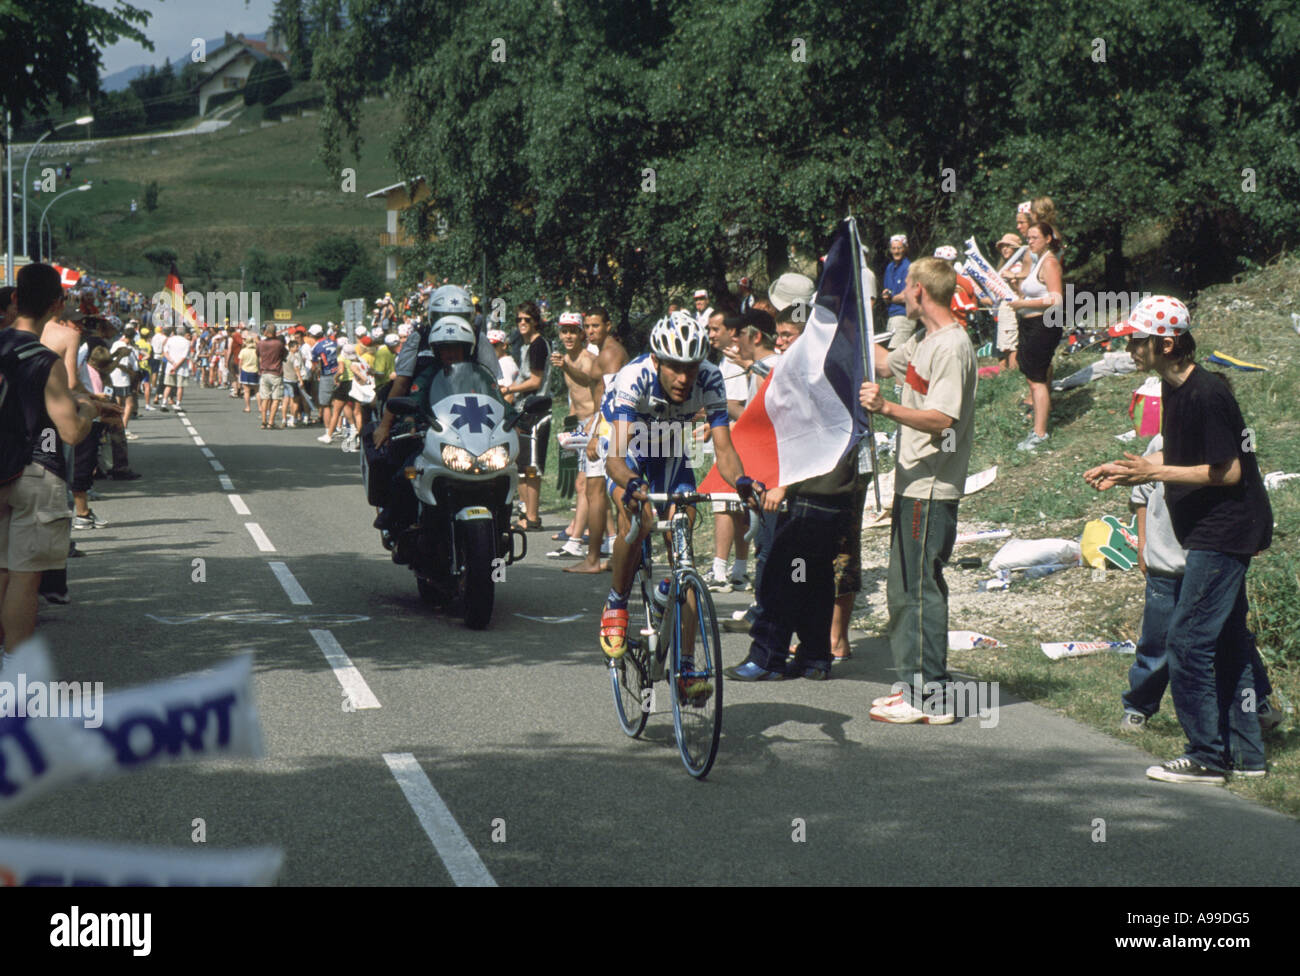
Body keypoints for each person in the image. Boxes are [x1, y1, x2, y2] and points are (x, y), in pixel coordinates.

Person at [1084, 296, 1272, 784]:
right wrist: (1129, 468)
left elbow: (1228, 471)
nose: (1130, 345)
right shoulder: (1172, 388)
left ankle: (1207, 756)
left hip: (1226, 531)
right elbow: (1184, 454)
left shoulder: (1207, 392)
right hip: (1212, 530)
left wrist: (1155, 469)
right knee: (1228, 639)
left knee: (1186, 642)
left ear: (1166, 343)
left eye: (1138, 339)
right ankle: (1248, 756)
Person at [598, 311, 760, 696]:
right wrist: (632, 485)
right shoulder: (632, 377)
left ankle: (686, 668)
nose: (685, 378)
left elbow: (724, 448)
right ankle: (617, 603)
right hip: (630, 449)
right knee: (636, 519)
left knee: (684, 542)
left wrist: (740, 480)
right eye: (674, 368)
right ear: (656, 361)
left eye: (690, 367)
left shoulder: (710, 378)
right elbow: (615, 459)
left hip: (671, 450)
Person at [859, 257, 977, 724]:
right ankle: (916, 688)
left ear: (920, 292)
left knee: (920, 588)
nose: (899, 294)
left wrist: (885, 408)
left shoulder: (952, 347)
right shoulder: (927, 340)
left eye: (905, 288)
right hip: (913, 484)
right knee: (903, 587)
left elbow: (942, 419)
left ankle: (931, 697)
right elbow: (886, 363)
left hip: (932, 487)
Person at [1, 265, 114, 649]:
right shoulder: (43, 359)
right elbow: (70, 432)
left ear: (15, 299)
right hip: (35, 469)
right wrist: (91, 412)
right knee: (24, 577)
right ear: (56, 304)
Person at [1008, 221, 1064, 451]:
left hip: (1044, 324)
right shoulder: (1036, 261)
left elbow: (1056, 298)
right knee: (1036, 373)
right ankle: (1041, 419)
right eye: (1028, 238)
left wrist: (1023, 303)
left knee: (1036, 379)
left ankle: (1039, 433)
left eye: (1034, 238)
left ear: (1047, 239)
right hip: (1032, 324)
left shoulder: (1049, 262)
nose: (1029, 242)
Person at [548, 312, 600, 558]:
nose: (568, 335)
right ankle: (609, 538)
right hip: (579, 424)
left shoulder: (587, 358)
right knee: (590, 484)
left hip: (594, 423)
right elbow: (574, 395)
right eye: (564, 331)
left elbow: (588, 380)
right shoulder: (567, 358)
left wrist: (594, 427)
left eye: (572, 330)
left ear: (581, 333)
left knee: (585, 484)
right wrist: (569, 425)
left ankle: (576, 540)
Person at [501, 301, 550, 531]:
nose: (522, 323)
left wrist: (509, 390)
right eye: (519, 319)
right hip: (524, 410)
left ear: (535, 322)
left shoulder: (539, 345)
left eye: (526, 320)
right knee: (521, 464)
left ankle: (532, 517)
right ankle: (525, 514)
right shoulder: (525, 346)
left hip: (537, 410)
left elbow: (536, 381)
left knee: (532, 467)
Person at [881, 234, 912, 347]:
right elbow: (887, 292)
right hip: (891, 316)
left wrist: (891, 298)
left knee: (894, 353)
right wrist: (886, 296)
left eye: (899, 248)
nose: (896, 251)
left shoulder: (908, 267)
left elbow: (906, 296)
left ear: (905, 249)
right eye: (893, 248)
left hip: (903, 316)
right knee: (890, 355)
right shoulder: (890, 267)